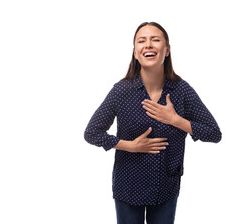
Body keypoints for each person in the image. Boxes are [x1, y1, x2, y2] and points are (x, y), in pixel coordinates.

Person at [84, 22, 222, 224]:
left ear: (166, 50)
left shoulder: (181, 91)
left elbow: (214, 133)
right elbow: (92, 132)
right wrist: (129, 146)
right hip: (128, 186)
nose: (148, 44)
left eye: (155, 40)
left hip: (166, 187)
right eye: (142, 41)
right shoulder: (121, 91)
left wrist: (176, 120)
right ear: (135, 53)